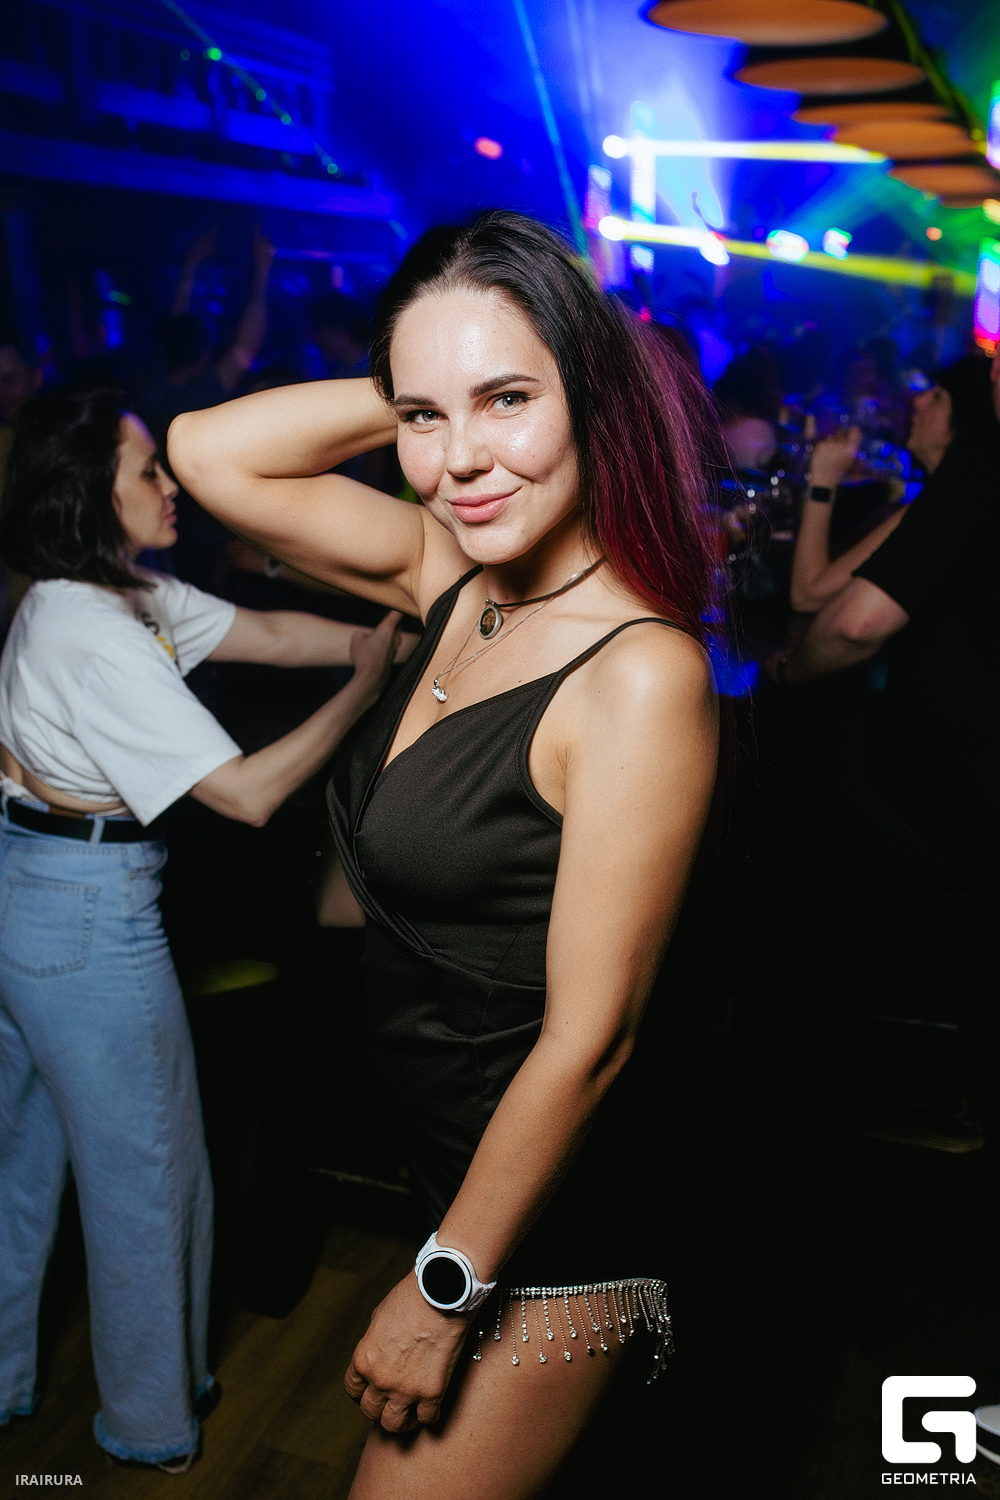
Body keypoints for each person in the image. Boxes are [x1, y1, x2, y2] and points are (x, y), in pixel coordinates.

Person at [169, 209, 721, 1498]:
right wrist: (439, 375)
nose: (459, 460)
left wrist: (444, 1284)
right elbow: (207, 452)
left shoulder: (639, 677)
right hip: (453, 1168)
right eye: (422, 416)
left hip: (553, 1225)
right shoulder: (454, 578)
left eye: (509, 399)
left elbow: (592, 1039)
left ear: (592, 394)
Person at [0, 387, 403, 1472]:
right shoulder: (95, 633)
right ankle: (151, 1426)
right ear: (88, 495)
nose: (170, 482)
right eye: (146, 470)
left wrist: (385, 638)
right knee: (152, 1180)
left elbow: (269, 632)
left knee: (21, 1165)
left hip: (31, 888)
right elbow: (249, 795)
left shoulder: (109, 591)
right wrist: (366, 691)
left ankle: (4, 1380)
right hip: (85, 916)